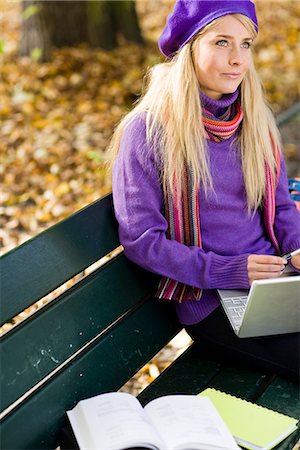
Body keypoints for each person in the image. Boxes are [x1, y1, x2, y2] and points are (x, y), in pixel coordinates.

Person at [109, 0, 300, 382]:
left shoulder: (254, 121)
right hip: (211, 301)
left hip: (276, 283)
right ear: (189, 48)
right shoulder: (148, 132)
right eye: (221, 42)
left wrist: (297, 248)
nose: (238, 59)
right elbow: (142, 240)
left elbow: (280, 208)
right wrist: (227, 270)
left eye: (246, 44)